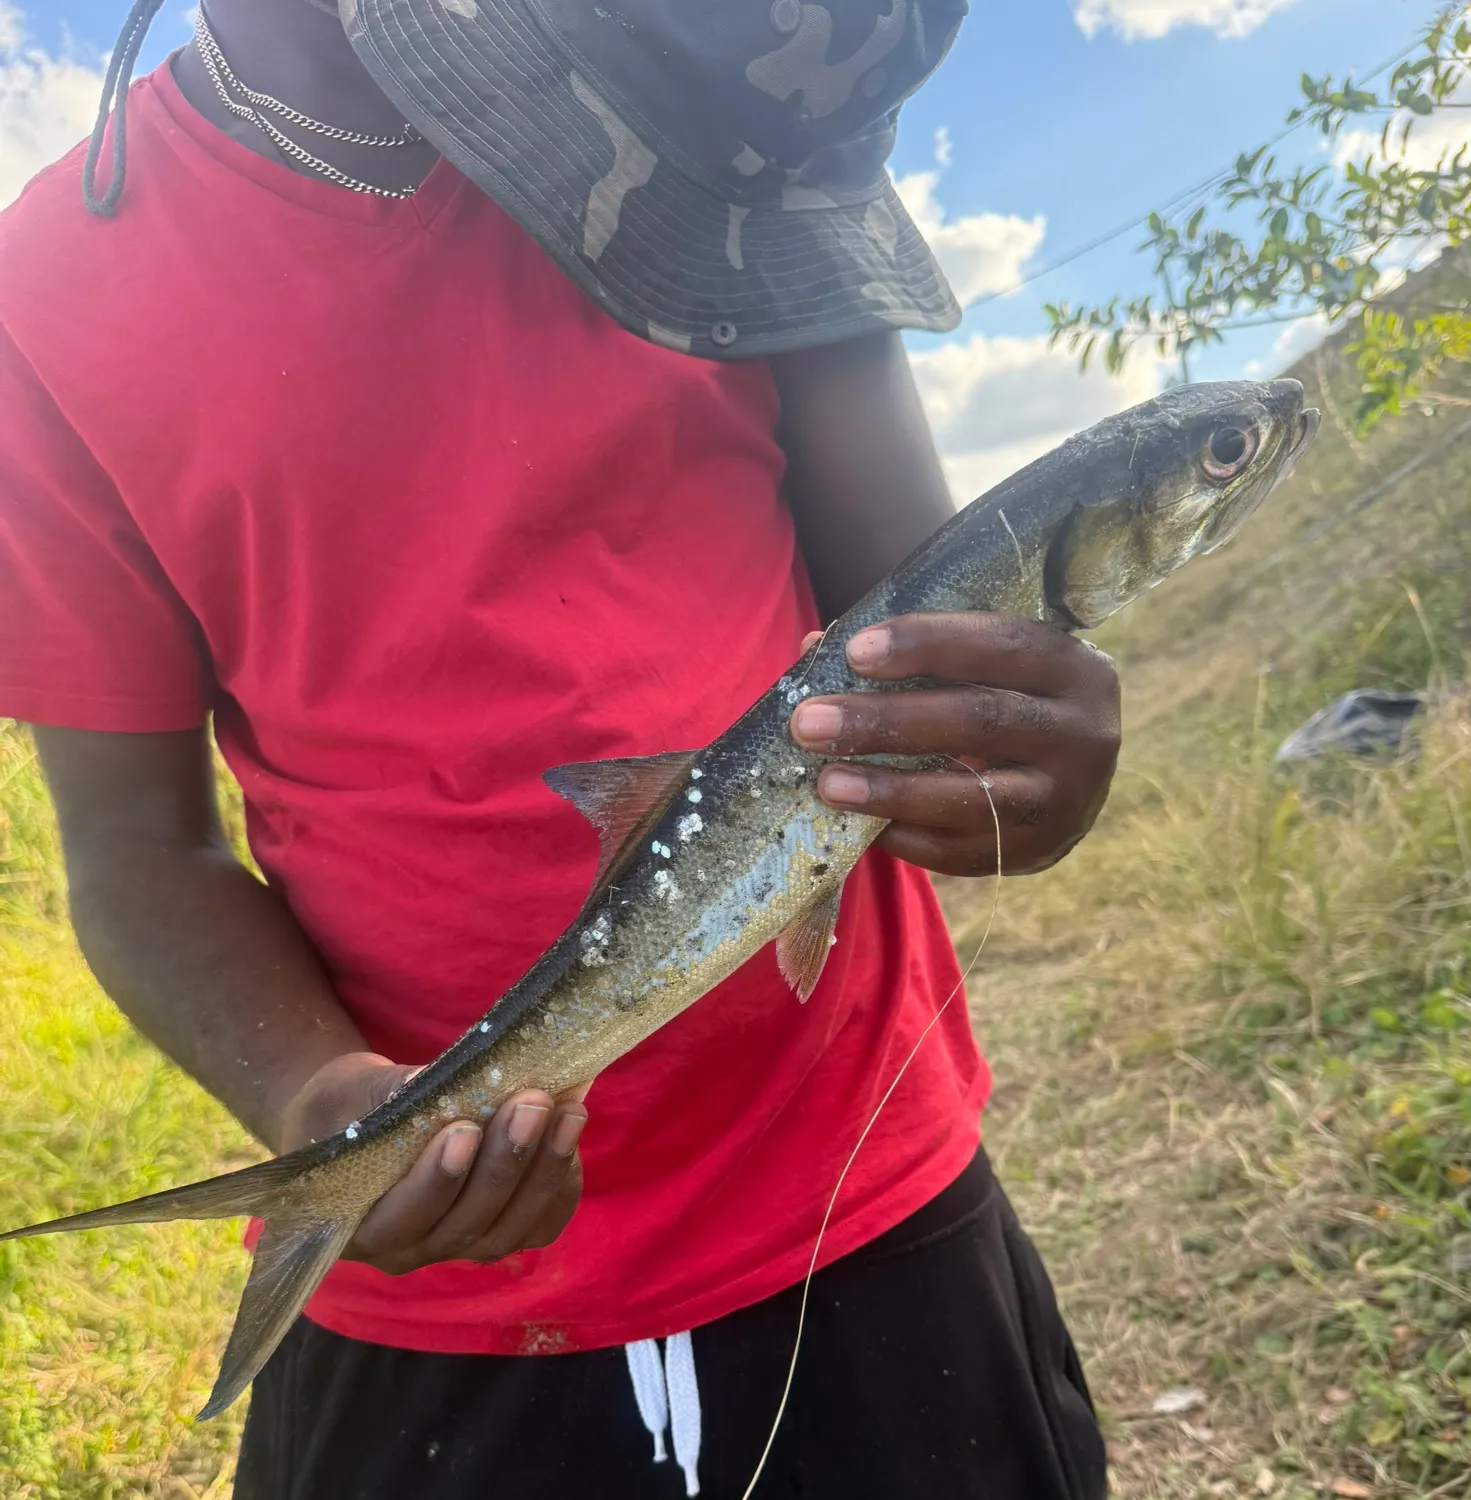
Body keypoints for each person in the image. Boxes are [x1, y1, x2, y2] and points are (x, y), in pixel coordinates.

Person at [0, 1, 1120, 1495]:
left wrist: (1019, 746)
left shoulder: (723, 110)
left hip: (865, 1192)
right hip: (425, 1293)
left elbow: (932, 619)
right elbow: (139, 847)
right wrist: (310, 1096)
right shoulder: (45, 301)